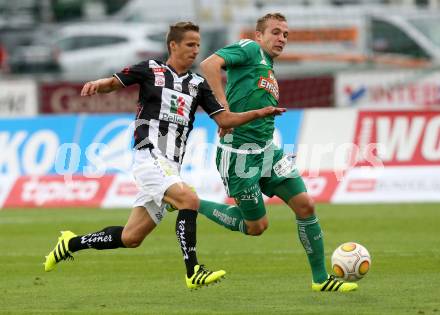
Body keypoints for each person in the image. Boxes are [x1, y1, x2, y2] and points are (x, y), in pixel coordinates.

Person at [43, 21, 285, 290]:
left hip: (170, 165)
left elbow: (224, 119)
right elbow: (114, 82)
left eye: (198, 45)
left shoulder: (197, 84)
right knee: (189, 199)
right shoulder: (151, 69)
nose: (196, 50)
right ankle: (193, 271)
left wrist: (259, 113)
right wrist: (100, 84)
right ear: (173, 45)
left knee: (131, 237)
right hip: (149, 156)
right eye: (190, 44)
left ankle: (70, 243)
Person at [197, 13, 358, 292]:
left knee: (305, 204)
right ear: (259, 35)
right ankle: (191, 202)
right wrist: (221, 108)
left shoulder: (268, 65)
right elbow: (209, 64)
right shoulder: (249, 48)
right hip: (239, 155)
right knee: (256, 226)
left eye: (286, 34)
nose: (282, 38)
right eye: (275, 32)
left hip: (268, 151)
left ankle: (320, 280)